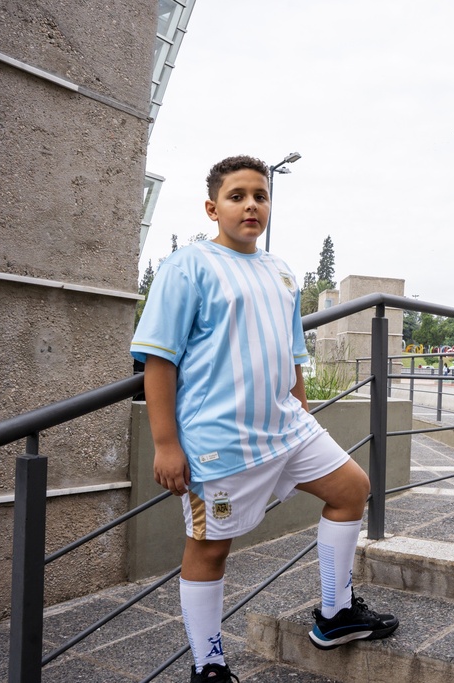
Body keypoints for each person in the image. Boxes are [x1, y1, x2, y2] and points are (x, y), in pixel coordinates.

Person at [132, 155, 398, 683]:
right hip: (220, 441)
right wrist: (165, 444)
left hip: (288, 427)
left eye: (260, 195)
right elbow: (159, 360)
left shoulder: (281, 271)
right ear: (213, 208)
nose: (251, 204)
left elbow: (292, 353)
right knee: (210, 549)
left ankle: (333, 614)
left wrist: (300, 412)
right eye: (237, 196)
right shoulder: (187, 267)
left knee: (351, 489)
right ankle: (208, 665)